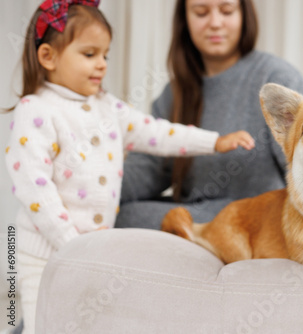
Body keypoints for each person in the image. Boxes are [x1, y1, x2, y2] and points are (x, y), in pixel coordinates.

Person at [5, 1, 254, 333]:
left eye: (105, 55)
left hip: (91, 249)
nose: (102, 65)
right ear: (48, 57)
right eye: (90, 54)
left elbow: (157, 132)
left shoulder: (107, 107)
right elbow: (34, 188)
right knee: (39, 324)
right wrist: (71, 244)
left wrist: (213, 142)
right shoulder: (35, 110)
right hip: (42, 252)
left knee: (84, 322)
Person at [116, 0, 303, 229]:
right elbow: (147, 170)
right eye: (201, 13)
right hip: (197, 213)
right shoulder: (173, 94)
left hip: (257, 219)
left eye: (226, 11)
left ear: (244, 15)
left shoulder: (275, 78)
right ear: (185, 19)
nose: (215, 23)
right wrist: (91, 179)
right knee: (118, 212)